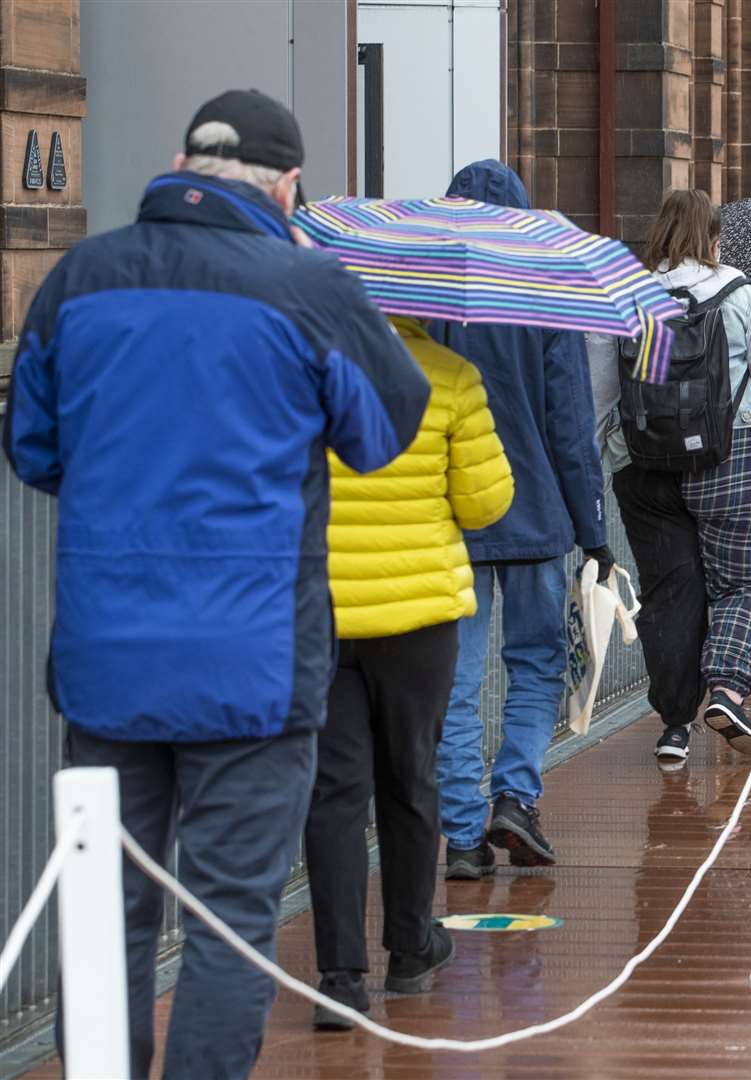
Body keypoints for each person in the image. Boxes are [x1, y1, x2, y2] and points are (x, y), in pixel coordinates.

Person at [1, 90, 429, 1077]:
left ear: (180, 162)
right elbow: (383, 432)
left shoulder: (79, 277)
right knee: (228, 915)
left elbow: (31, 447)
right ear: (287, 185)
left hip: (107, 656)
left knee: (101, 907)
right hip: (255, 659)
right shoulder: (308, 284)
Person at [304, 316, 514, 1029]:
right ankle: (410, 948)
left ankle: (338, 977)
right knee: (411, 779)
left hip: (322, 608)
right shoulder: (450, 377)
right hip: (419, 613)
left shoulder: (307, 371)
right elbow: (486, 505)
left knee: (333, 791)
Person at [589, 190, 751, 767]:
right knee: (745, 585)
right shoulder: (743, 297)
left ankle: (673, 724)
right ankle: (726, 691)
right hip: (732, 461)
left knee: (671, 592)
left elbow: (599, 397)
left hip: (643, 469)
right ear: (714, 238)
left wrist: (597, 462)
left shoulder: (623, 298)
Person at [430, 160, 614, 878]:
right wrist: (593, 528)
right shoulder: (543, 289)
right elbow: (569, 423)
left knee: (456, 678)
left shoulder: (422, 295)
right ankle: (515, 795)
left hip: (448, 515)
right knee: (536, 662)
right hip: (535, 511)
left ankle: (461, 834)